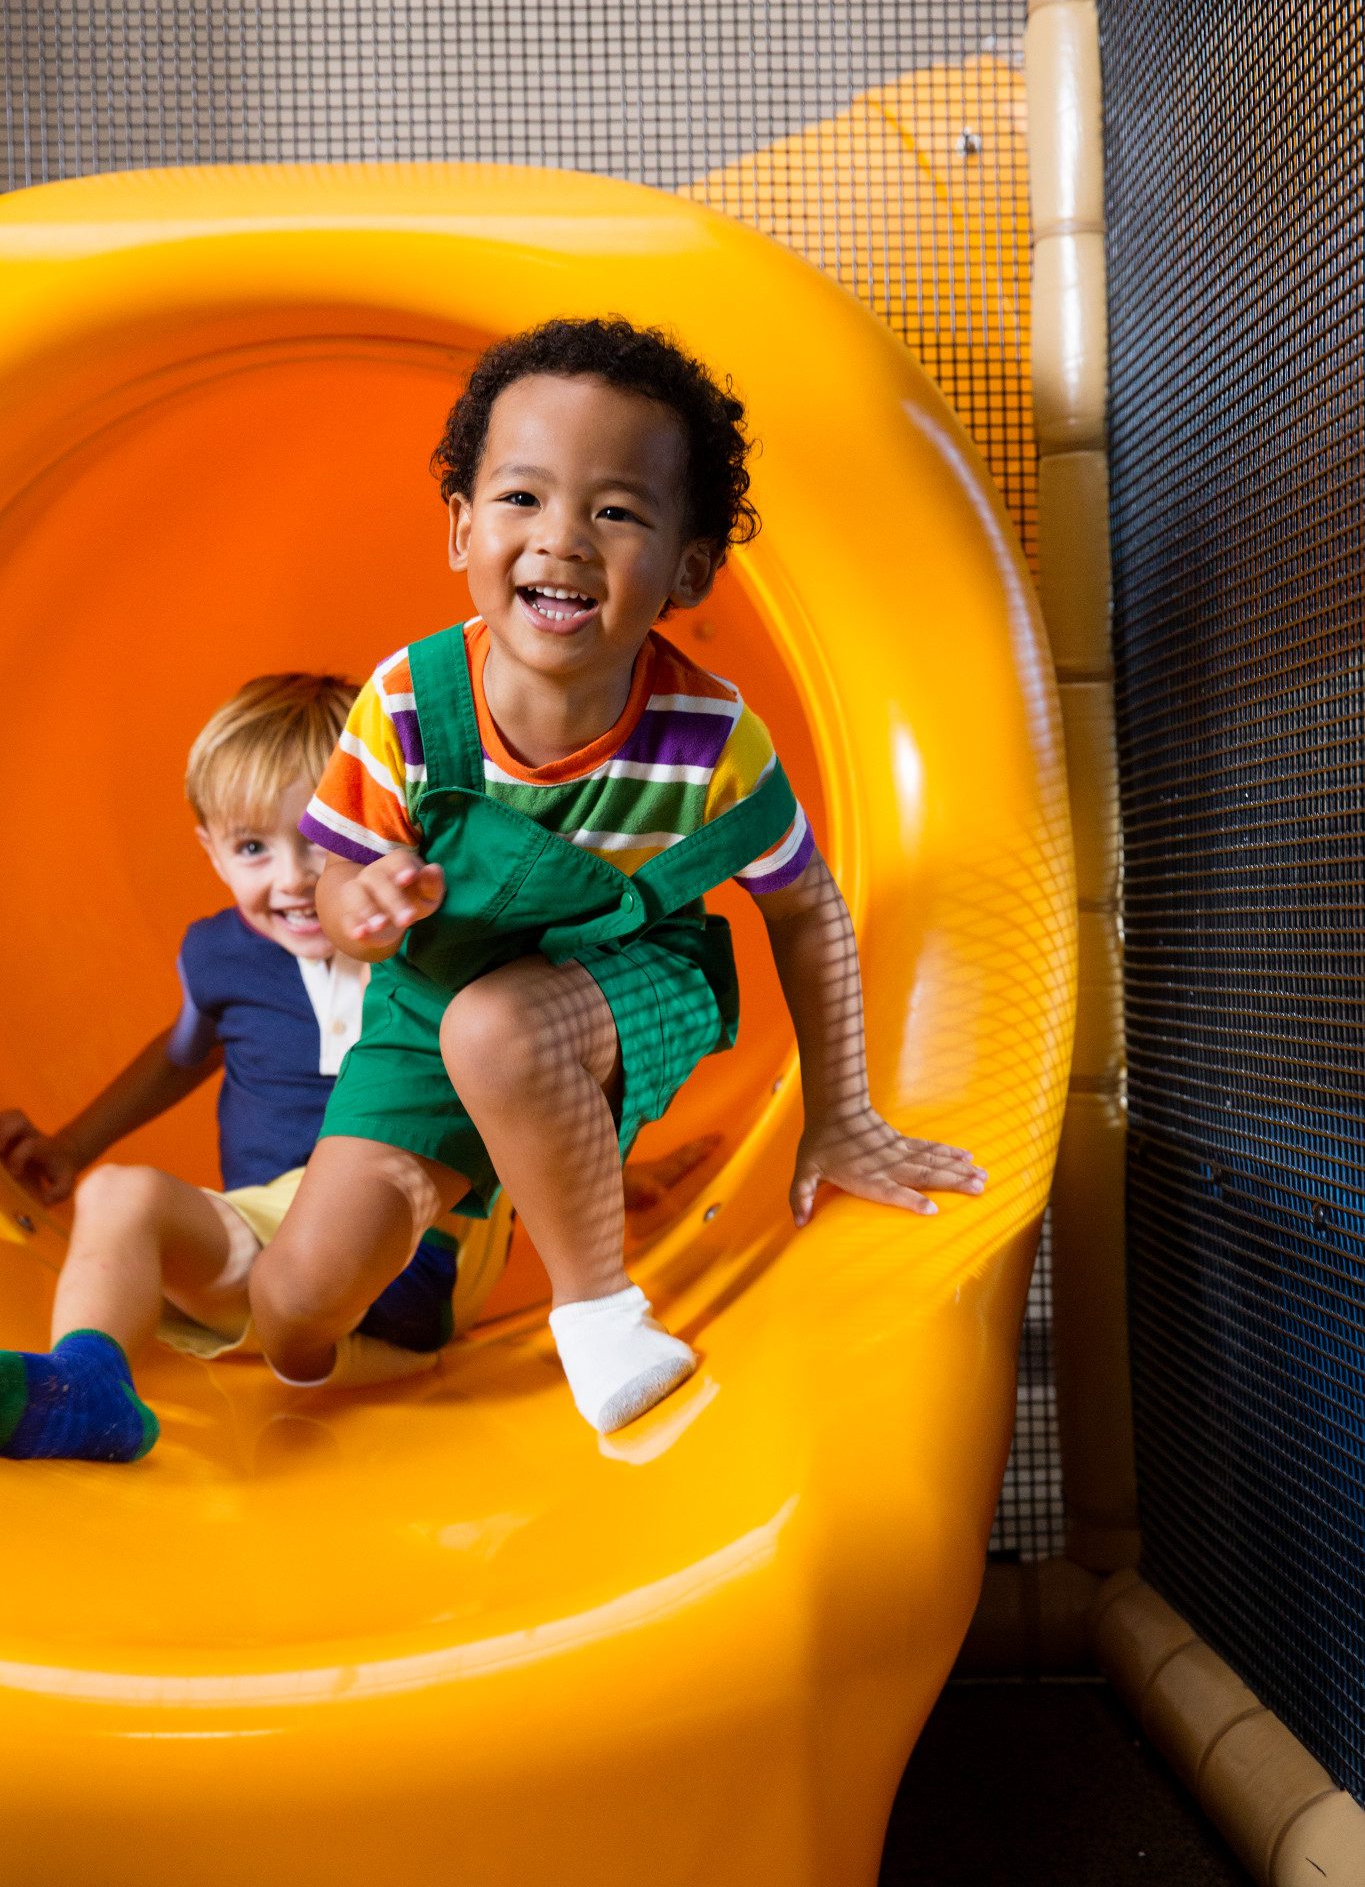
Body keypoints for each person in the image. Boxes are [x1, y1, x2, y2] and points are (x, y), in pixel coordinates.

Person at [251, 316, 987, 1436]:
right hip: (428, 998)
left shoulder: (708, 737)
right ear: (460, 528)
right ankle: (448, 1220)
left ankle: (597, 1311)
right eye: (523, 499)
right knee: (293, 1306)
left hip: (633, 981)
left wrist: (840, 1112)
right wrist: (370, 906)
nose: (563, 539)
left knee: (500, 1030)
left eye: (616, 511)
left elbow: (804, 905)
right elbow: (344, 904)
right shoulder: (405, 704)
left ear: (688, 566)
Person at [0, 674, 510, 1463]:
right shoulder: (220, 956)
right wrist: (70, 1148)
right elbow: (180, 1058)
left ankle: (373, 1267)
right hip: (265, 1271)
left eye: (328, 839)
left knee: (431, 1108)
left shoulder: (433, 948)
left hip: (415, 1252)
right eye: (251, 848)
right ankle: (86, 1387)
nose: (294, 878)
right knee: (117, 1194)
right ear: (209, 848)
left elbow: (524, 1077)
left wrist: (611, 1174)